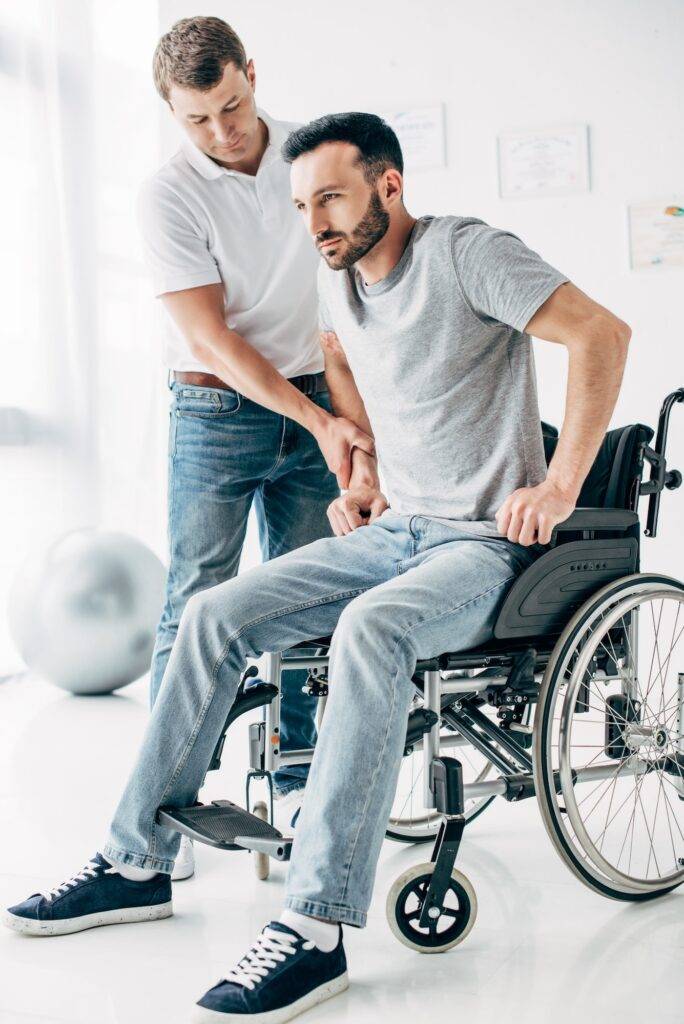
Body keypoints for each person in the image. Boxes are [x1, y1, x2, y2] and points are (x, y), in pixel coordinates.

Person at [4, 113, 631, 1023]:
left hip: (487, 546)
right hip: (397, 530)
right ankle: (137, 860)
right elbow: (341, 358)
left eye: (332, 196)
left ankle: (313, 927)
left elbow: (602, 332)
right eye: (302, 205)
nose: (316, 222)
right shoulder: (338, 285)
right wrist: (366, 464)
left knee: (370, 628)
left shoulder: (466, 253)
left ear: (389, 185)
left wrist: (562, 482)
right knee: (217, 612)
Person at [139, 17, 375, 879]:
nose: (221, 133)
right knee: (195, 601)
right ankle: (163, 811)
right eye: (196, 119)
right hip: (214, 411)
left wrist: (353, 418)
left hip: (316, 395)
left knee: (305, 596)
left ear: (251, 73)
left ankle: (298, 778)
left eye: (231, 106)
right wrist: (320, 423)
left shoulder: (308, 163)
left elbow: (348, 295)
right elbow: (213, 340)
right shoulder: (167, 194)